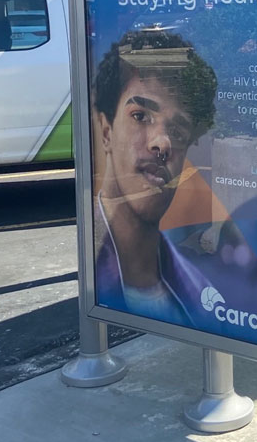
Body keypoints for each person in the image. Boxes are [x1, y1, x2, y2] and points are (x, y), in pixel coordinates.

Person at [92, 28, 220, 325]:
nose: (162, 143)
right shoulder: (94, 270)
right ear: (107, 131)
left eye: (177, 131)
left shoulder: (204, 295)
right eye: (140, 116)